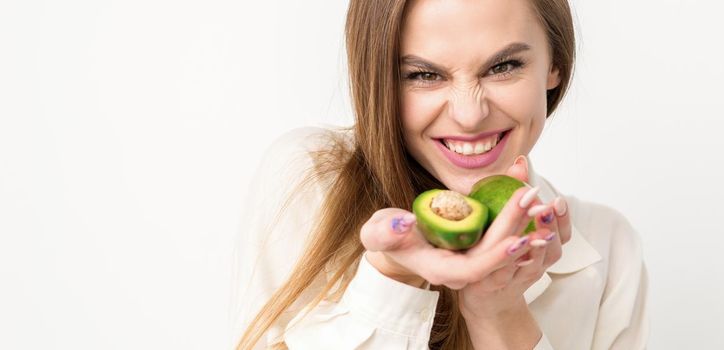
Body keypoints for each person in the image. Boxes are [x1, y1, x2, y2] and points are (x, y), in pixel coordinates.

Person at [231, 0, 649, 348]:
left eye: (503, 66)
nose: (469, 116)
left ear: (554, 65)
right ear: (379, 81)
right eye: (424, 75)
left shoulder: (609, 248)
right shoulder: (313, 180)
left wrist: (498, 312)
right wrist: (391, 277)